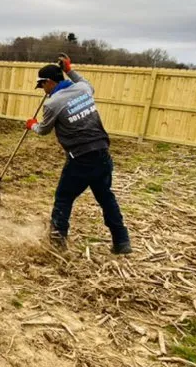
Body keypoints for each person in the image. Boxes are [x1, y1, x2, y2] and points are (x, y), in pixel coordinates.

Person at [26, 58, 132, 254]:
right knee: (106, 197)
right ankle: (122, 240)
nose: (43, 90)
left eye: (42, 85)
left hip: (80, 159)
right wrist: (70, 70)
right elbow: (88, 84)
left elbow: (43, 130)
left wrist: (31, 124)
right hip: (102, 154)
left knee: (63, 198)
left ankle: (57, 243)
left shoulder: (53, 103)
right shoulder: (83, 89)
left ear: (49, 81)